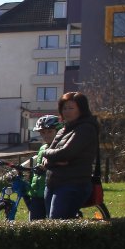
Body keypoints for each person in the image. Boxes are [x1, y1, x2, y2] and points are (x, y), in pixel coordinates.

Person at [41, 91, 100, 219]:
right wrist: (50, 158)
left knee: (57, 223)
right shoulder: (63, 129)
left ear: (81, 109)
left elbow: (65, 154)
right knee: (51, 224)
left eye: (71, 108)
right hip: (53, 182)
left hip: (73, 184)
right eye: (64, 108)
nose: (66, 112)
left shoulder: (85, 128)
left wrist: (46, 154)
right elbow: (51, 155)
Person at [16, 115, 59, 220]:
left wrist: (46, 168)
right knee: (34, 221)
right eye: (43, 132)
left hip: (52, 191)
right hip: (37, 192)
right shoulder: (43, 148)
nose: (46, 135)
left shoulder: (60, 147)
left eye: (50, 132)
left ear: (58, 131)